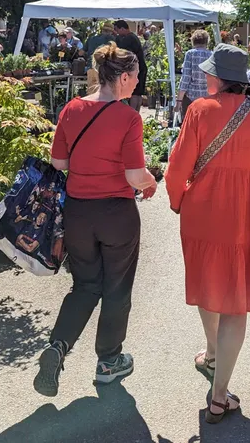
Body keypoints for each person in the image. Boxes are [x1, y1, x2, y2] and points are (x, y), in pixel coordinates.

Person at [164, 45, 250, 424]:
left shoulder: (200, 111)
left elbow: (177, 166)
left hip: (203, 212)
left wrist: (178, 200)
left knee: (209, 282)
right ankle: (219, 394)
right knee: (236, 300)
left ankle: (211, 352)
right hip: (247, 216)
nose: (205, 77)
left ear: (218, 78)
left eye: (209, 72)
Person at [33, 42, 157, 397]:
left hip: (78, 213)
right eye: (134, 77)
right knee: (116, 288)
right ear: (122, 77)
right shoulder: (128, 117)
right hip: (116, 213)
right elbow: (135, 175)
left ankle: (58, 347)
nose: (136, 83)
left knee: (85, 285)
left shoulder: (71, 109)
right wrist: (151, 181)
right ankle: (108, 362)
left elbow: (59, 164)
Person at [177, 30, 213, 118]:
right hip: (207, 98)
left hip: (191, 97)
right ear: (206, 41)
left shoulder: (190, 54)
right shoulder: (212, 55)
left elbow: (185, 78)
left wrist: (179, 101)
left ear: (193, 41)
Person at [113, 21, 148, 111]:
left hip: (137, 69)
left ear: (123, 29)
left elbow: (121, 52)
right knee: (137, 93)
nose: (116, 32)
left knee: (135, 93)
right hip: (140, 68)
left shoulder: (129, 38)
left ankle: (132, 114)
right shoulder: (132, 37)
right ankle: (135, 114)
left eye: (117, 30)